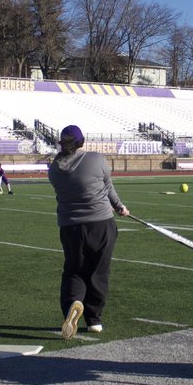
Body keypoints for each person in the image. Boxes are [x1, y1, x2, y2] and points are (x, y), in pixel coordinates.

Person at [47, 125, 128, 339]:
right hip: (100, 223)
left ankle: (72, 303)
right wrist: (119, 206)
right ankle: (94, 320)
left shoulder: (54, 169)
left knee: (74, 270)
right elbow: (107, 186)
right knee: (98, 271)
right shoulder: (95, 159)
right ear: (81, 141)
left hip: (70, 226)